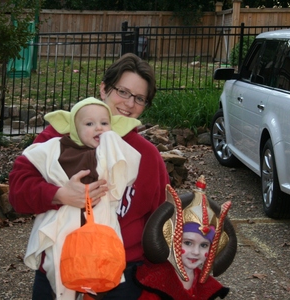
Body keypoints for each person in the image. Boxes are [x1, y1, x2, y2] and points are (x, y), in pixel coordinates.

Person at [9, 53, 170, 299]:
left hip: (122, 275)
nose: (129, 104)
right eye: (123, 92)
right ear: (104, 89)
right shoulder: (58, 137)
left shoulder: (146, 155)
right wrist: (60, 195)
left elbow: (162, 220)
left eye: (140, 98)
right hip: (62, 266)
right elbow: (18, 192)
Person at [21, 97, 142, 299]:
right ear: (74, 128)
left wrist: (112, 140)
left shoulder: (111, 150)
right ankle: (59, 291)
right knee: (59, 264)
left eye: (104, 123)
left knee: (102, 263)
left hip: (101, 221)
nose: (99, 129)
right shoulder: (59, 148)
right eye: (89, 124)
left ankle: (92, 292)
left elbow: (126, 169)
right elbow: (32, 159)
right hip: (65, 222)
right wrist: (58, 193)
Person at [134, 177, 231, 299]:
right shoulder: (156, 285)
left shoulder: (206, 286)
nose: (196, 252)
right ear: (171, 239)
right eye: (188, 243)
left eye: (204, 245)